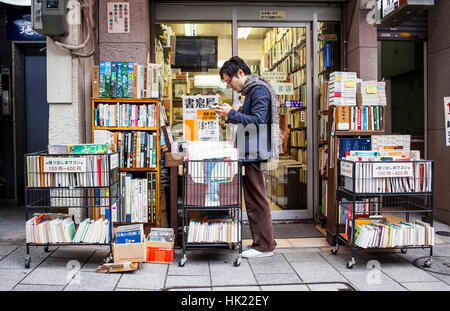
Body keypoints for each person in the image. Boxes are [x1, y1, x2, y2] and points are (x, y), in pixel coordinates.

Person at [214, 56, 282, 258]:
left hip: (255, 152)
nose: (230, 86)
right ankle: (264, 241)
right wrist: (233, 113)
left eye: (229, 81)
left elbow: (259, 120)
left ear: (240, 73)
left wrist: (231, 114)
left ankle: (264, 246)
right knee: (254, 199)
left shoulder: (258, 90)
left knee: (256, 199)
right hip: (251, 151)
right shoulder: (253, 90)